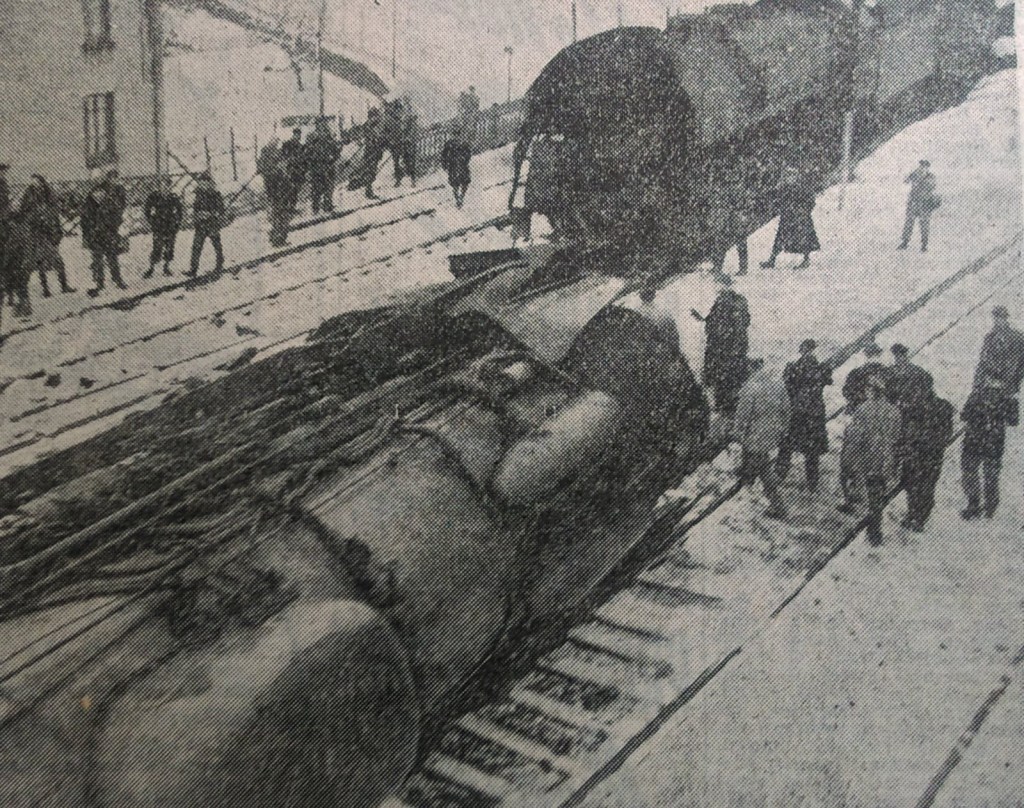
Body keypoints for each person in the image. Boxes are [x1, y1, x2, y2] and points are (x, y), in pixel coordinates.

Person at [839, 377, 902, 545]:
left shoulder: (863, 409)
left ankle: (858, 509)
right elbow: (896, 436)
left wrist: (849, 454)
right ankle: (875, 528)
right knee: (877, 492)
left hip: (867, 456)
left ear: (871, 390)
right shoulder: (894, 410)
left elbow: (855, 436)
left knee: (861, 485)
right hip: (885, 457)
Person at [733, 359, 790, 519]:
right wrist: (782, 430)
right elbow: (787, 410)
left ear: (751, 367)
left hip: (754, 436)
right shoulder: (778, 385)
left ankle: (774, 505)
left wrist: (738, 433)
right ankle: (775, 504)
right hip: (770, 435)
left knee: (760, 468)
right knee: (762, 464)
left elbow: (743, 415)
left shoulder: (750, 387)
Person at [898, 380, 954, 531]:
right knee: (918, 485)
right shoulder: (916, 407)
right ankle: (915, 515)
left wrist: (929, 442)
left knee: (921, 485)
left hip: (925, 454)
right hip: (922, 454)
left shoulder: (937, 407)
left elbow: (947, 432)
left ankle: (918, 517)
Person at [777, 339, 832, 491]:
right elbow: (827, 379)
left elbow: (787, 387)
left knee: (787, 446)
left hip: (797, 412)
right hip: (814, 414)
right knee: (811, 451)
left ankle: (780, 476)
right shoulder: (821, 369)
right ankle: (812, 483)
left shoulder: (793, 368)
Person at [960, 374, 1018, 520]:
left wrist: (1001, 410)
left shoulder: (1008, 401)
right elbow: (964, 415)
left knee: (990, 476)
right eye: (991, 382)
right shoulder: (976, 397)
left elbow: (1013, 421)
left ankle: (989, 508)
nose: (994, 386)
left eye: (997, 384)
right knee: (971, 473)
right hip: (975, 442)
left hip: (992, 444)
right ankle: (974, 504)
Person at [692, 288, 750, 415]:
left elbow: (713, 328)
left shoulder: (722, 307)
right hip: (734, 355)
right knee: (732, 383)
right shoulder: (740, 304)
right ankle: (729, 408)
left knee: (723, 383)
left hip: (723, 356)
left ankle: (723, 408)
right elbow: (745, 323)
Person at [20, 175, 75, 296]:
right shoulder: (29, 195)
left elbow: (57, 208)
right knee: (41, 262)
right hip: (37, 233)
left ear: (42, 182)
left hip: (50, 233)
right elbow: (24, 212)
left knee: (56, 260)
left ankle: (63, 286)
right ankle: (46, 289)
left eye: (38, 182)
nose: (36, 184)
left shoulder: (49, 193)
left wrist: (66, 213)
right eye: (34, 182)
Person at [761, 167, 820, 269]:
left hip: (801, 218)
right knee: (780, 238)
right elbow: (778, 200)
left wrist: (803, 211)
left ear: (796, 177)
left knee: (804, 239)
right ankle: (772, 260)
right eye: (788, 176)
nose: (790, 178)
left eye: (792, 176)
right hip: (787, 217)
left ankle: (806, 260)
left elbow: (811, 201)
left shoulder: (802, 187)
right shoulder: (784, 188)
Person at [81, 172, 128, 296]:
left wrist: (117, 224)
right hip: (97, 231)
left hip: (111, 230)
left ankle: (117, 279)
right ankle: (99, 282)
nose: (115, 181)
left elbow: (121, 208)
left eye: (116, 178)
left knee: (113, 256)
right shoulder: (96, 192)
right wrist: (89, 230)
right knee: (97, 258)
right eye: (112, 178)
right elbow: (86, 213)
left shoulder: (119, 192)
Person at [973, 305, 1024, 393]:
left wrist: (1008, 383)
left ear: (1006, 319)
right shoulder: (989, 338)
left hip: (1009, 386)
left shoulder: (1017, 338)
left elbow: (1018, 364)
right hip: (989, 384)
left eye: (1001, 317)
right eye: (996, 317)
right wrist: (977, 385)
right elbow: (982, 362)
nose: (998, 321)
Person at [186, 172, 225, 277]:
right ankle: (193, 270)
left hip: (212, 224)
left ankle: (219, 266)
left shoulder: (216, 194)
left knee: (217, 246)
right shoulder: (198, 194)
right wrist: (198, 215)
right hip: (200, 225)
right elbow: (195, 209)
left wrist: (210, 214)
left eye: (204, 182)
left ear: (209, 183)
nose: (202, 184)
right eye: (201, 182)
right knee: (196, 247)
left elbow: (221, 209)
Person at [143, 176, 183, 278]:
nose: (164, 187)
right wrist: (151, 220)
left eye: (167, 185)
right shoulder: (154, 196)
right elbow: (147, 209)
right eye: (162, 185)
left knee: (169, 247)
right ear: (159, 186)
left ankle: (166, 267)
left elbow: (180, 211)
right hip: (159, 226)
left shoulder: (173, 197)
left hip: (170, 226)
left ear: (170, 186)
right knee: (157, 247)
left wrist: (176, 223)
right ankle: (151, 268)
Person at [898, 159, 940, 252]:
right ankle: (905, 242)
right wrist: (911, 174)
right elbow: (906, 181)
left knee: (924, 224)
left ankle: (924, 245)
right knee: (909, 223)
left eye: (924, 166)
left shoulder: (931, 177)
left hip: (924, 204)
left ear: (927, 168)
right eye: (921, 166)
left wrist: (920, 180)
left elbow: (932, 186)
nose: (922, 168)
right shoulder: (915, 174)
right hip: (913, 203)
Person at [258, 138, 292, 247]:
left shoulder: (267, 163)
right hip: (278, 196)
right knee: (281, 218)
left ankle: (276, 239)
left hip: (276, 195)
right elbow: (283, 183)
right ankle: (278, 240)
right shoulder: (276, 172)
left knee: (277, 217)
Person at [304, 121, 341, 214]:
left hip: (328, 167)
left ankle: (327, 206)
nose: (323, 129)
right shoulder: (312, 139)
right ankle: (315, 208)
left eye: (324, 126)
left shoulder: (329, 138)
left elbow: (336, 151)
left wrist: (335, 155)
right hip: (317, 167)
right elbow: (307, 154)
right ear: (317, 127)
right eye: (320, 126)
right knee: (317, 188)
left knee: (328, 188)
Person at [842, 343, 892, 411]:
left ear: (865, 355)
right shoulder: (887, 371)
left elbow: (847, 392)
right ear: (879, 354)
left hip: (862, 411)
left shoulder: (856, 372)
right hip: (885, 410)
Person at [636, 285, 681, 358]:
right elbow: (674, 336)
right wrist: (675, 354)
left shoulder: (635, 312)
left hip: (645, 353)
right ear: (654, 294)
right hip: (660, 353)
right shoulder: (664, 311)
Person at [888, 343, 934, 413]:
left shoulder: (916, 370)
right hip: (896, 406)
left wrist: (919, 398)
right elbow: (888, 389)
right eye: (896, 356)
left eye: (901, 356)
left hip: (914, 405)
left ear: (905, 356)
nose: (898, 359)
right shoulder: (891, 371)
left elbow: (929, 380)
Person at [441, 130, 472, 209]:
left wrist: (465, 159)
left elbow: (469, 153)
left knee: (465, 183)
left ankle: (461, 196)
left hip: (463, 166)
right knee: (455, 184)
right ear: (452, 135)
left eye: (457, 135)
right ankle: (457, 199)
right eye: (454, 135)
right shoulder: (449, 144)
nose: (456, 137)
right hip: (453, 166)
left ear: (460, 135)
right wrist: (444, 165)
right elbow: (444, 155)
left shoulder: (464, 143)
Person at [281, 128, 305, 211]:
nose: (298, 136)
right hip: (290, 170)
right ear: (294, 134)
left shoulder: (300, 146)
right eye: (297, 135)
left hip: (298, 171)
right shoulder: (287, 144)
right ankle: (286, 206)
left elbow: (302, 158)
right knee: (289, 189)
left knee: (296, 189)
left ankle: (292, 207)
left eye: (299, 135)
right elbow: (284, 156)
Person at [399, 99, 419, 188]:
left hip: (411, 144)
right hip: (405, 144)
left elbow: (414, 133)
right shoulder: (403, 120)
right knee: (405, 161)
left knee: (412, 162)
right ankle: (402, 179)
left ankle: (413, 180)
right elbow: (402, 129)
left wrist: (408, 138)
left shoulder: (413, 123)